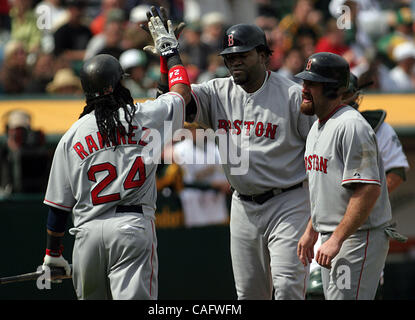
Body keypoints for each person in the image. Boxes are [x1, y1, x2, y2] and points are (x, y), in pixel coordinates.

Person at [39, 7, 191, 300]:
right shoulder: (143, 116)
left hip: (86, 236)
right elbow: (179, 95)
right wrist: (169, 52)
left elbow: (58, 208)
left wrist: (52, 255)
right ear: (118, 84)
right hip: (131, 227)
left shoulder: (71, 136)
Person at [158, 23, 316, 299]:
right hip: (243, 203)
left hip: (289, 201)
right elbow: (179, 98)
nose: (235, 61)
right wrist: (170, 56)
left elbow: (317, 154)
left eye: (242, 54)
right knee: (249, 293)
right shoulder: (217, 91)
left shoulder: (293, 95)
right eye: (230, 56)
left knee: (289, 286)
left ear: (264, 55)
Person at [295, 52, 393, 300]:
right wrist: (312, 230)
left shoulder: (352, 126)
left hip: (357, 237)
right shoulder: (319, 126)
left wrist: (337, 239)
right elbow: (326, 192)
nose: (303, 89)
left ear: (331, 89)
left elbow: (368, 190)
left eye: (311, 83)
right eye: (304, 81)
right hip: (336, 235)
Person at [0, 109, 49, 196]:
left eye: (22, 130)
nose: (18, 134)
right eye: (15, 129)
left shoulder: (37, 156)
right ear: (8, 130)